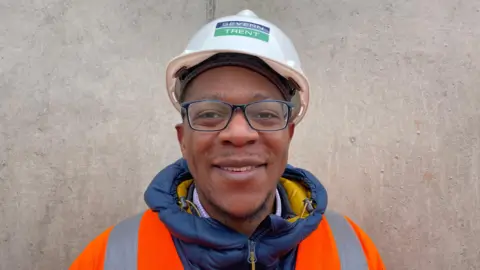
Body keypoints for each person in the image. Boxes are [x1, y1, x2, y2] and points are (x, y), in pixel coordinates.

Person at [69, 9, 385, 270]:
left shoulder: (352, 251)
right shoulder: (111, 258)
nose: (238, 134)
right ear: (183, 139)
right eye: (209, 114)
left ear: (288, 134)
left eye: (265, 113)